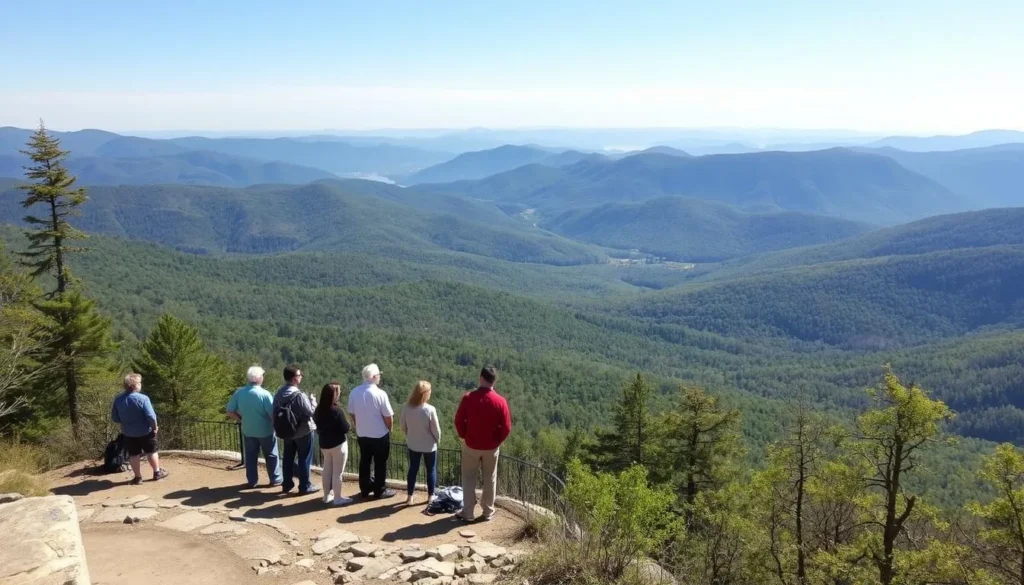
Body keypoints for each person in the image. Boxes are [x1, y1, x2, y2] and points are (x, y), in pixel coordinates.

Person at [454, 365, 511, 522]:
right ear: (494, 381)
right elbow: (506, 427)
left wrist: (464, 435)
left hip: (471, 445)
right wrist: (497, 440)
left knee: (468, 477)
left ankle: (468, 512)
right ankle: (487, 511)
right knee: (489, 478)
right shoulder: (501, 402)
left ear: (481, 378)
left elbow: (458, 420)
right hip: (491, 447)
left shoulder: (468, 398)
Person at [226, 365, 282, 488]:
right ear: (259, 378)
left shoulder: (239, 393)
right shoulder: (265, 394)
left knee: (250, 457)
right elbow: (272, 414)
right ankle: (275, 479)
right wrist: (276, 428)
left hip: (248, 430)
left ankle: (252, 481)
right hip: (265, 430)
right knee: (271, 455)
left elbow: (230, 411)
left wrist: (240, 419)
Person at [347, 363, 396, 499]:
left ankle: (365, 488)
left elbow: (352, 413)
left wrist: (358, 424)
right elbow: (388, 416)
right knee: (380, 463)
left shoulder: (354, 392)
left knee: (364, 461)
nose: (379, 377)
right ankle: (379, 490)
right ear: (374, 377)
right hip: (380, 434)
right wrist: (389, 428)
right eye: (378, 375)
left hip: (362, 434)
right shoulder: (380, 394)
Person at [111, 373, 169, 485]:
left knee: (133, 455)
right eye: (139, 383)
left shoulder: (118, 399)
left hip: (128, 433)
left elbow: (115, 418)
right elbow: (151, 416)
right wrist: (154, 427)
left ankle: (137, 478)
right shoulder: (143, 398)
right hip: (146, 431)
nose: (140, 385)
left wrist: (126, 421)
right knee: (151, 451)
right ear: (134, 385)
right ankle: (157, 473)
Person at [272, 364, 318, 495]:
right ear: (294, 379)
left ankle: (287, 484)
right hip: (303, 431)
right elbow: (310, 412)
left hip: (286, 431)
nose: (301, 377)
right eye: (299, 375)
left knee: (287, 457)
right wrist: (313, 402)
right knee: (304, 458)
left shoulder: (279, 393)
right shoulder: (299, 395)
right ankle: (305, 486)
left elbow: (274, 410)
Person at [400, 381, 441, 507]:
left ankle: (410, 497)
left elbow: (403, 426)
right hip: (429, 445)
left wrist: (409, 436)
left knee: (413, 469)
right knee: (431, 470)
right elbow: (436, 430)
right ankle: (430, 496)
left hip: (413, 444)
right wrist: (437, 440)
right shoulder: (430, 409)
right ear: (425, 394)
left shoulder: (406, 408)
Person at [313, 382, 353, 506]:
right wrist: (349, 424)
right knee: (337, 473)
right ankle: (338, 497)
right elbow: (345, 428)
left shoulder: (318, 409)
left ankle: (326, 495)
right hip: (338, 444)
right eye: (338, 392)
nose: (339, 394)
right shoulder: (337, 411)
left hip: (324, 444)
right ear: (333, 395)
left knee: (327, 470)